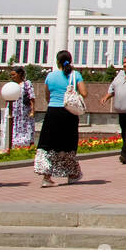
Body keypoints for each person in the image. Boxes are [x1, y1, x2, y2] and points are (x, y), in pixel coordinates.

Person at [34, 50, 86, 187]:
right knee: (68, 143)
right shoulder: (75, 75)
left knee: (49, 143)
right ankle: (71, 174)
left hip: (52, 112)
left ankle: (46, 177)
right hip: (69, 112)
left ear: (57, 61)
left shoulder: (50, 76)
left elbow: (47, 95)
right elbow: (84, 93)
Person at [9, 66, 36, 147]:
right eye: (11, 75)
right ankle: (14, 145)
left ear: (19, 74)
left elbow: (32, 98)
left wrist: (32, 110)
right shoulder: (11, 85)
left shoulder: (26, 84)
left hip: (23, 111)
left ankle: (27, 146)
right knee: (14, 128)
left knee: (26, 128)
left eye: (14, 75)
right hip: (14, 111)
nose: (12, 77)